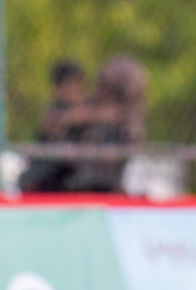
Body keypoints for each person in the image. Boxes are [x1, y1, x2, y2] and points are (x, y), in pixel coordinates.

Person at [63, 55, 148, 193]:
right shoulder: (91, 109)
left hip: (114, 179)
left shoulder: (131, 122)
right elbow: (67, 118)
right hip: (87, 180)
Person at [21, 60, 91, 192]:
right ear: (58, 88)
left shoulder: (89, 108)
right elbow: (52, 124)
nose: (74, 90)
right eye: (69, 84)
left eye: (78, 84)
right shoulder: (53, 111)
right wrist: (71, 117)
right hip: (49, 174)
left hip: (75, 174)